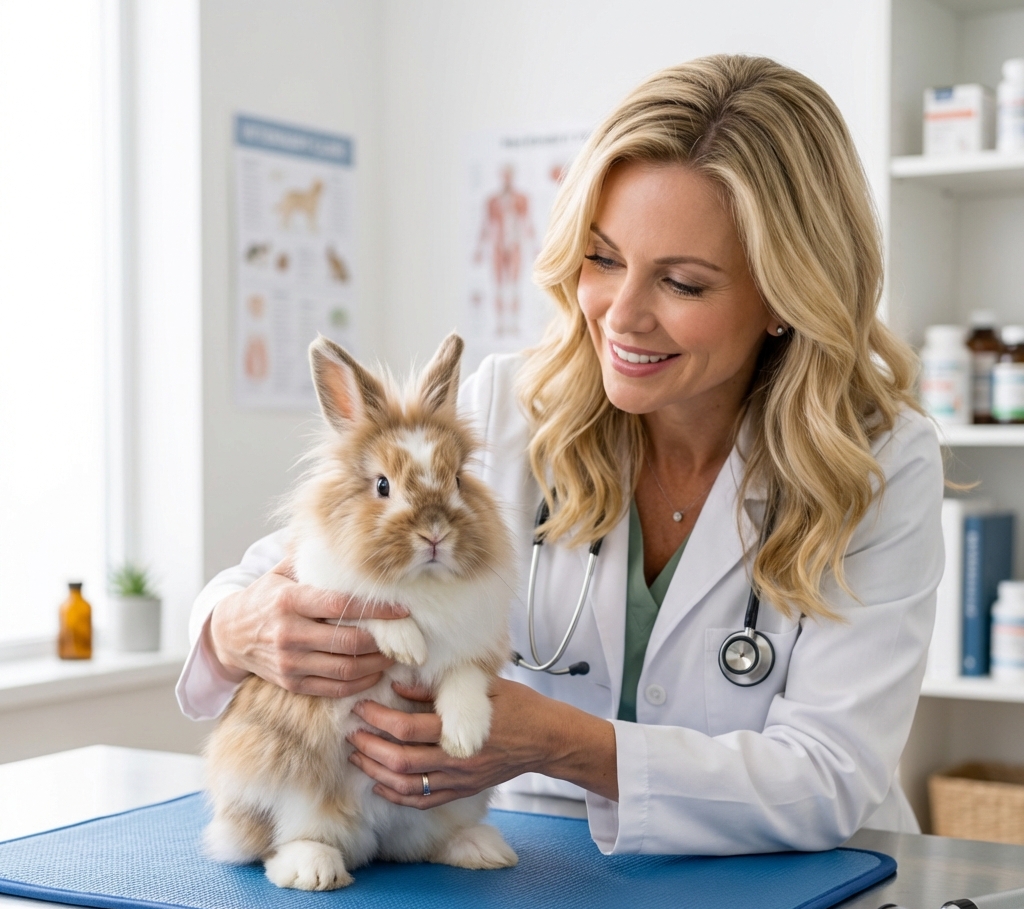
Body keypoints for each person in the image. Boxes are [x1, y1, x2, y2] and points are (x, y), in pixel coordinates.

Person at [177, 55, 942, 856]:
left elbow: (829, 776)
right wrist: (240, 631)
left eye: (681, 283)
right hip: (549, 877)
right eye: (603, 258)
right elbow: (267, 577)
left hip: (807, 890)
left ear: (788, 296)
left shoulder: (881, 461)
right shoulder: (505, 408)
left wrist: (569, 744)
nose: (622, 316)